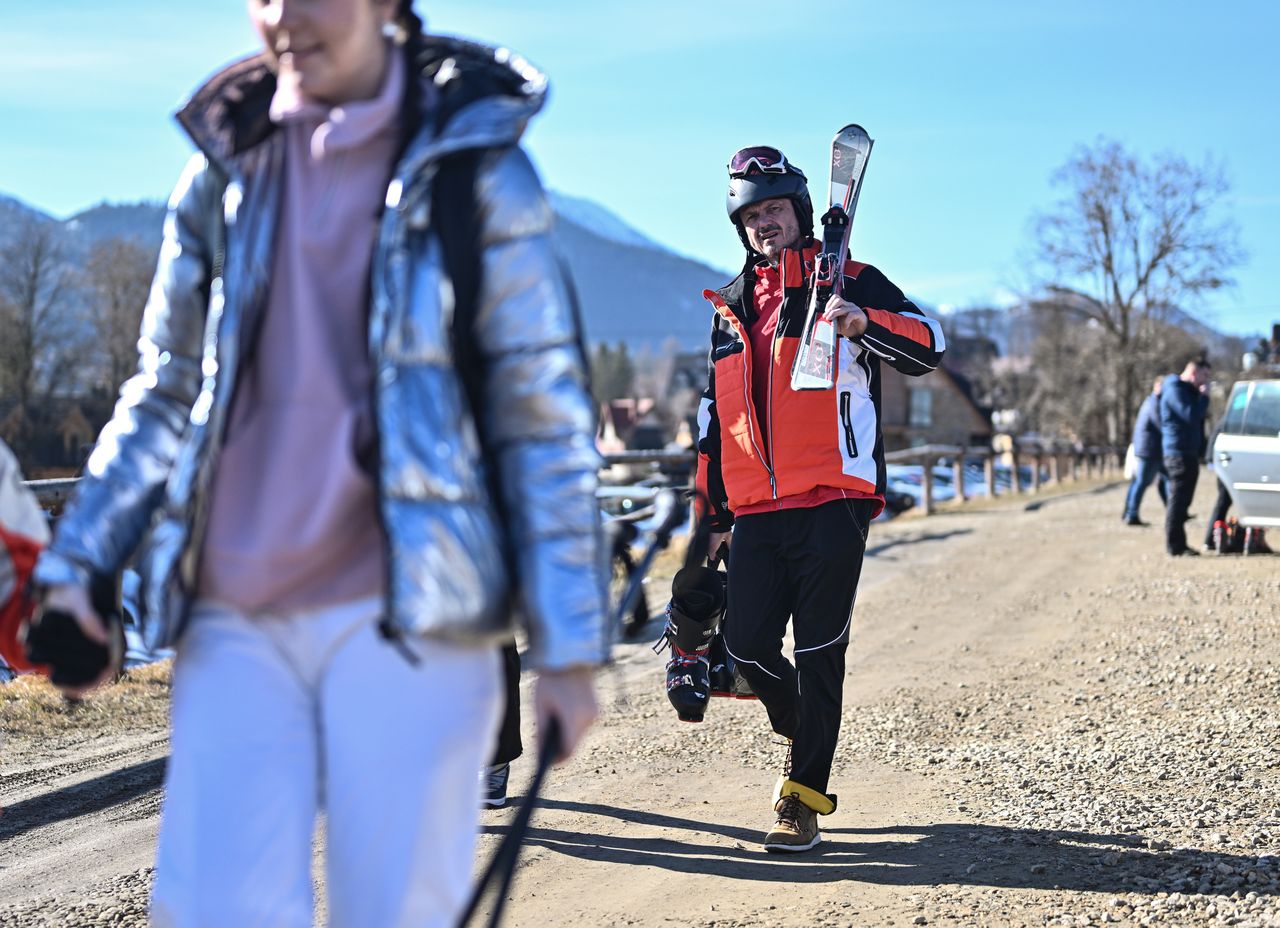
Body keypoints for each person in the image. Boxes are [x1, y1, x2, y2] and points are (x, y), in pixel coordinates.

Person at [28, 2, 607, 924]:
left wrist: (572, 647)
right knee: (211, 908)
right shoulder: (222, 169)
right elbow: (164, 392)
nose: (286, 16)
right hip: (233, 616)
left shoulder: (480, 170)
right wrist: (77, 564)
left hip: (415, 619)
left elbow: (540, 418)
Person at [688, 145, 944, 852]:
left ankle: (801, 798)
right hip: (757, 511)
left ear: (801, 211)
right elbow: (714, 422)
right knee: (743, 645)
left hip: (834, 496)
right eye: (751, 215)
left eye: (774, 209)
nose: (764, 224)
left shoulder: (853, 281)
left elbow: (930, 343)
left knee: (822, 645)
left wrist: (865, 323)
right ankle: (808, 725)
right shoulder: (729, 310)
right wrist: (707, 517)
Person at [1159, 358, 1211, 556]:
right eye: (1204, 376)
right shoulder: (1175, 390)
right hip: (1177, 453)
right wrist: (1204, 397)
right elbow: (1190, 416)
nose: (1205, 381)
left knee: (1183, 500)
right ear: (1193, 373)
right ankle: (1175, 545)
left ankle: (1179, 543)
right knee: (1178, 500)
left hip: (1186, 452)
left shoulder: (1186, 391)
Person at [1122, 377, 1168, 526]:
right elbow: (1161, 424)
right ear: (1156, 386)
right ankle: (1131, 514)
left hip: (1151, 449)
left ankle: (1173, 510)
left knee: (1163, 481)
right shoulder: (1154, 403)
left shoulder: (1151, 402)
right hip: (1149, 451)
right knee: (1142, 482)